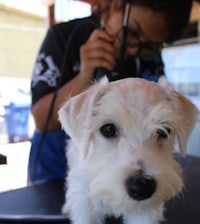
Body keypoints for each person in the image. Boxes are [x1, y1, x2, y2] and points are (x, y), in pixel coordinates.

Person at [28, 0, 193, 184]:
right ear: (117, 4)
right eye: (132, 33)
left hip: (126, 174)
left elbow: (160, 114)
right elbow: (42, 120)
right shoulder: (63, 37)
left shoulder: (148, 58)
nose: (135, 49)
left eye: (149, 46)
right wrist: (84, 76)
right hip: (54, 169)